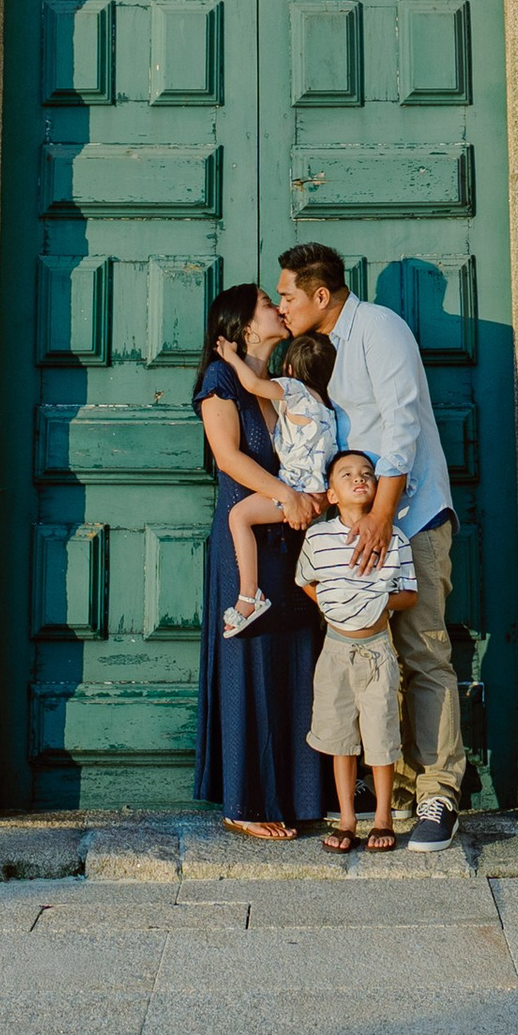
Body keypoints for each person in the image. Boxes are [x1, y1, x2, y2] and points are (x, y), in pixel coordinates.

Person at [276, 241, 466, 849]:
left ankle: (440, 794)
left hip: (410, 520)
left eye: (288, 295)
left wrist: (383, 512)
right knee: (381, 665)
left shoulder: (380, 328)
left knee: (425, 655)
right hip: (362, 526)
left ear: (321, 296)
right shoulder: (324, 347)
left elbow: (403, 420)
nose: (281, 306)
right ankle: (401, 794)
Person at [193, 283, 327, 837]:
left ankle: (299, 795)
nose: (281, 308)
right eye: (268, 306)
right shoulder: (220, 380)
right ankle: (245, 804)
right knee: (249, 663)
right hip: (245, 537)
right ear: (246, 327)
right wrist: (288, 497)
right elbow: (228, 457)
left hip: (292, 538)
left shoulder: (288, 383)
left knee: (297, 660)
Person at [295, 442, 418, 853]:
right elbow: (305, 581)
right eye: (346, 475)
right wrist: (332, 609)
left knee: (381, 735)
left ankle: (382, 817)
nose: (359, 478)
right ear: (331, 494)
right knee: (339, 737)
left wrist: (380, 603)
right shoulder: (318, 537)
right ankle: (347, 818)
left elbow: (410, 594)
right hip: (335, 651)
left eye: (366, 473)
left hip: (378, 650)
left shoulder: (394, 538)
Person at [215, 328, 338, 636]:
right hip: (319, 494)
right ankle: (332, 609)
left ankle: (249, 595)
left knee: (239, 516)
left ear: (291, 370)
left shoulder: (294, 390)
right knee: (311, 560)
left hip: (296, 490)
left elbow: (254, 384)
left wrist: (230, 356)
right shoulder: (326, 407)